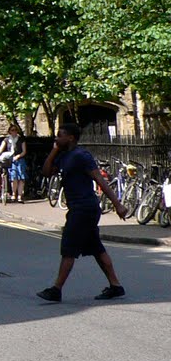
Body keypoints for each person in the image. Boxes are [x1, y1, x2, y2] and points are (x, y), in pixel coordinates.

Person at [38, 123, 126, 303]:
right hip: (78, 208)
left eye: (60, 135)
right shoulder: (63, 155)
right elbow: (46, 172)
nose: (56, 137)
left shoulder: (81, 156)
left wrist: (117, 204)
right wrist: (55, 150)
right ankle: (116, 286)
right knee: (96, 248)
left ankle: (56, 289)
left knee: (69, 249)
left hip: (84, 208)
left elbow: (99, 179)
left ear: (70, 137)